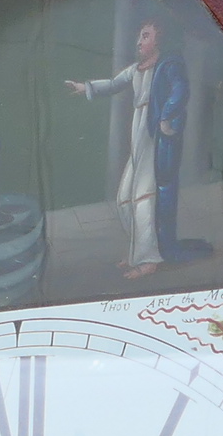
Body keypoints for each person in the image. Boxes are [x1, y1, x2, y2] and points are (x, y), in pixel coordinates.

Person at [66, 20, 185, 277]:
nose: (139, 42)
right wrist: (84, 87)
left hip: (154, 134)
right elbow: (112, 83)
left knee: (142, 198)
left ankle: (149, 259)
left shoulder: (168, 66)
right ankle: (136, 252)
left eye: (145, 36)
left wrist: (165, 117)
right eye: (140, 36)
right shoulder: (136, 69)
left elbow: (179, 91)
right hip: (138, 134)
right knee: (123, 200)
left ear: (159, 39)